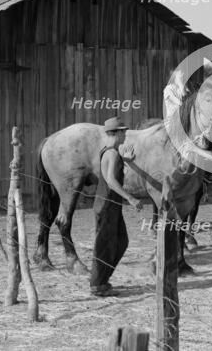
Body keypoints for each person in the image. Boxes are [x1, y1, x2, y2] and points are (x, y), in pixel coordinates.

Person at [90, 116, 141, 297]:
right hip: (107, 204)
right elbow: (111, 180)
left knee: (121, 242)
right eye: (123, 131)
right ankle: (97, 285)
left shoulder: (110, 151)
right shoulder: (111, 153)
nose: (125, 134)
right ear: (118, 132)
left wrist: (127, 161)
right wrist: (131, 198)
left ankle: (102, 281)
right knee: (105, 244)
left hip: (109, 204)